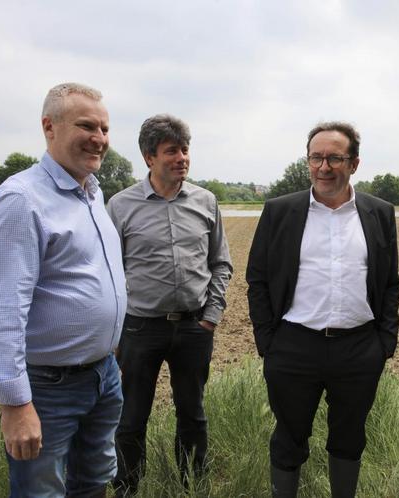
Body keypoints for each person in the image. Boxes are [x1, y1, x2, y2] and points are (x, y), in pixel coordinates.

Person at [0, 82, 127, 497]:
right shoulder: (21, 200)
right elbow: (0, 308)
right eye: (86, 126)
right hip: (48, 387)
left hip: (102, 375)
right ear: (49, 127)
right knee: (40, 491)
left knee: (94, 481)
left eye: (105, 129)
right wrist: (16, 405)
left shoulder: (92, 194)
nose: (99, 138)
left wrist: (108, 350)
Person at [246, 122, 399, 498]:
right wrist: (269, 341)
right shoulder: (280, 211)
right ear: (308, 161)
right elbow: (258, 279)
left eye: (335, 157)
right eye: (316, 157)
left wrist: (384, 343)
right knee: (288, 437)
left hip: (359, 349)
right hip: (294, 347)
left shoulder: (379, 213)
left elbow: (389, 282)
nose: (324, 167)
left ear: (354, 163)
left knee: (349, 438)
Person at [107, 114, 233, 495]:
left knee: (193, 415)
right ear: (149, 157)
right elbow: (108, 273)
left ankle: (193, 486)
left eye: (185, 149)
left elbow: (220, 263)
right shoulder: (121, 206)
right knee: (131, 418)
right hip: (140, 329)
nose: (182, 158)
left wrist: (210, 317)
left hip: (194, 328)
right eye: (171, 151)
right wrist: (113, 331)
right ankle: (128, 488)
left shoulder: (205, 201)